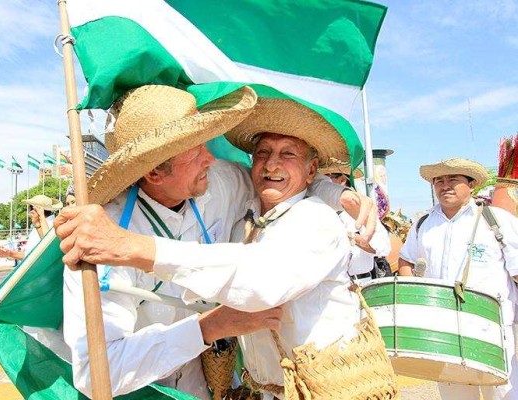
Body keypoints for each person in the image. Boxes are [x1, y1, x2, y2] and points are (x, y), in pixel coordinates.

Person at [56, 92, 386, 399]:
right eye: (196, 147)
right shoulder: (101, 239)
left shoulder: (219, 185)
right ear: (155, 170)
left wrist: (336, 193)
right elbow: (96, 371)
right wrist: (208, 328)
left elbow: (286, 191)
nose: (210, 158)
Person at [398, 158, 518, 400]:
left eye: (453, 179)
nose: (445, 186)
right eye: (439, 181)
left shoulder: (495, 220)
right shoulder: (423, 224)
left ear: (471, 185)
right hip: (446, 327)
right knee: (456, 393)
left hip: (493, 326)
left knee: (504, 393)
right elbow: (405, 261)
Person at [322, 160, 391, 283]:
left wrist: (352, 237)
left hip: (359, 283)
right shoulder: (316, 209)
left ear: (342, 180)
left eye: (326, 180)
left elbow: (382, 247)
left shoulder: (362, 209)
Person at [0, 195, 62, 260]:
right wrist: (9, 253)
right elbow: (29, 255)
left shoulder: (51, 225)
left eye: (30, 208)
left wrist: (9, 253)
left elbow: (48, 245)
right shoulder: (43, 224)